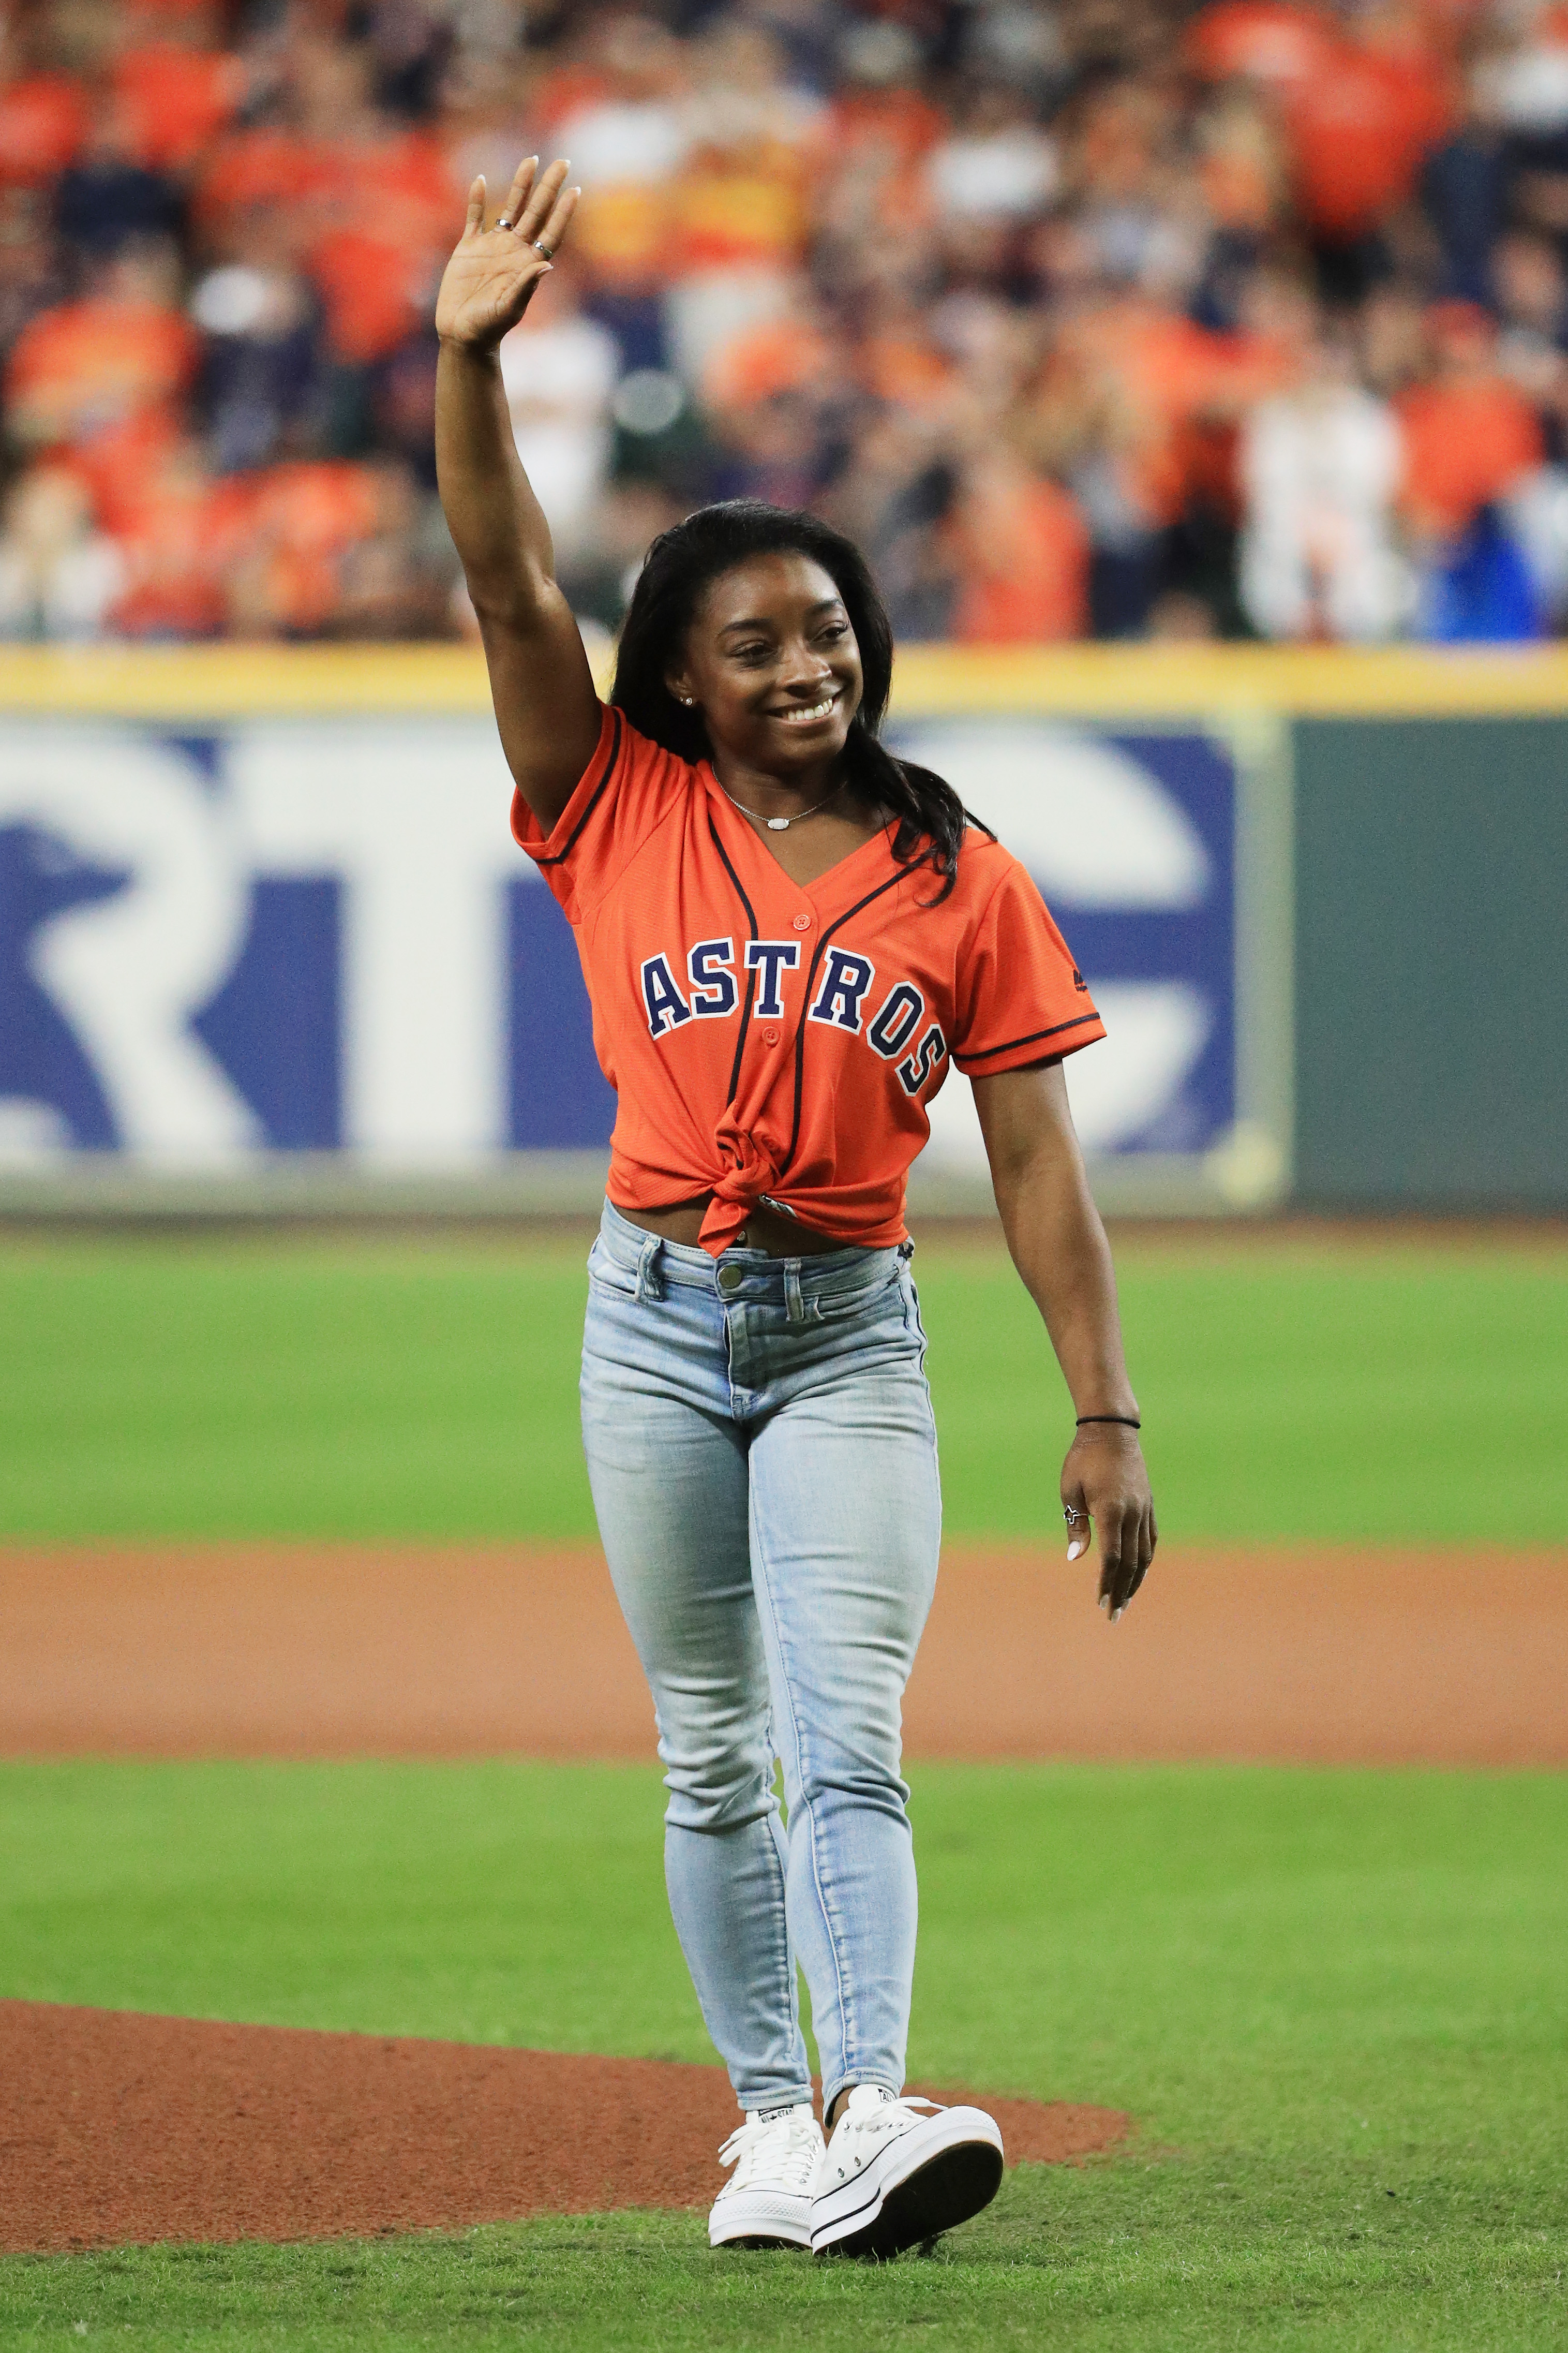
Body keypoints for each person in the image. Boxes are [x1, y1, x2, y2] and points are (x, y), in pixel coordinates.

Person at [435, 157, 1157, 2262]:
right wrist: (464, 361)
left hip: (845, 1330)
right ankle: (773, 2131)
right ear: (672, 678)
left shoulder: (955, 869)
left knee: (841, 1743)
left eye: (824, 628)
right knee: (702, 1752)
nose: (801, 662)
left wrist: (1102, 1410)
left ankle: (863, 2097)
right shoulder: (611, 800)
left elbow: (1031, 1162)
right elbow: (499, 586)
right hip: (649, 1318)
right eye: (750, 642)